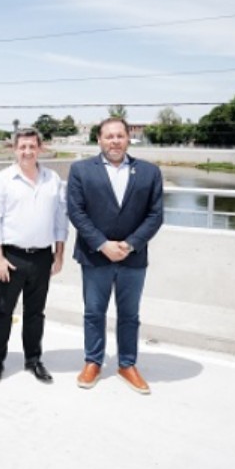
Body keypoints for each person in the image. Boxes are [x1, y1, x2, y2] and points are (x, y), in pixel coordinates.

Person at [67, 117, 164, 394]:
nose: (115, 141)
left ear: (127, 138)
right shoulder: (81, 170)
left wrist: (131, 244)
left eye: (120, 136)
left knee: (130, 315)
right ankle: (93, 362)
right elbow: (77, 212)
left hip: (133, 258)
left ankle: (127, 364)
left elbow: (155, 215)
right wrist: (102, 244)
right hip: (95, 256)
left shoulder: (148, 172)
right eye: (109, 136)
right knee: (94, 313)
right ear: (99, 139)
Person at [0, 127, 67, 384]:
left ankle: (33, 360)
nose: (27, 152)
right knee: (2, 311)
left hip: (42, 257)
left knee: (35, 313)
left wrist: (59, 254)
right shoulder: (3, 179)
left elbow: (60, 219)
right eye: (22, 147)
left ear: (40, 148)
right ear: (15, 149)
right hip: (11, 257)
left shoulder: (53, 179)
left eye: (32, 146)